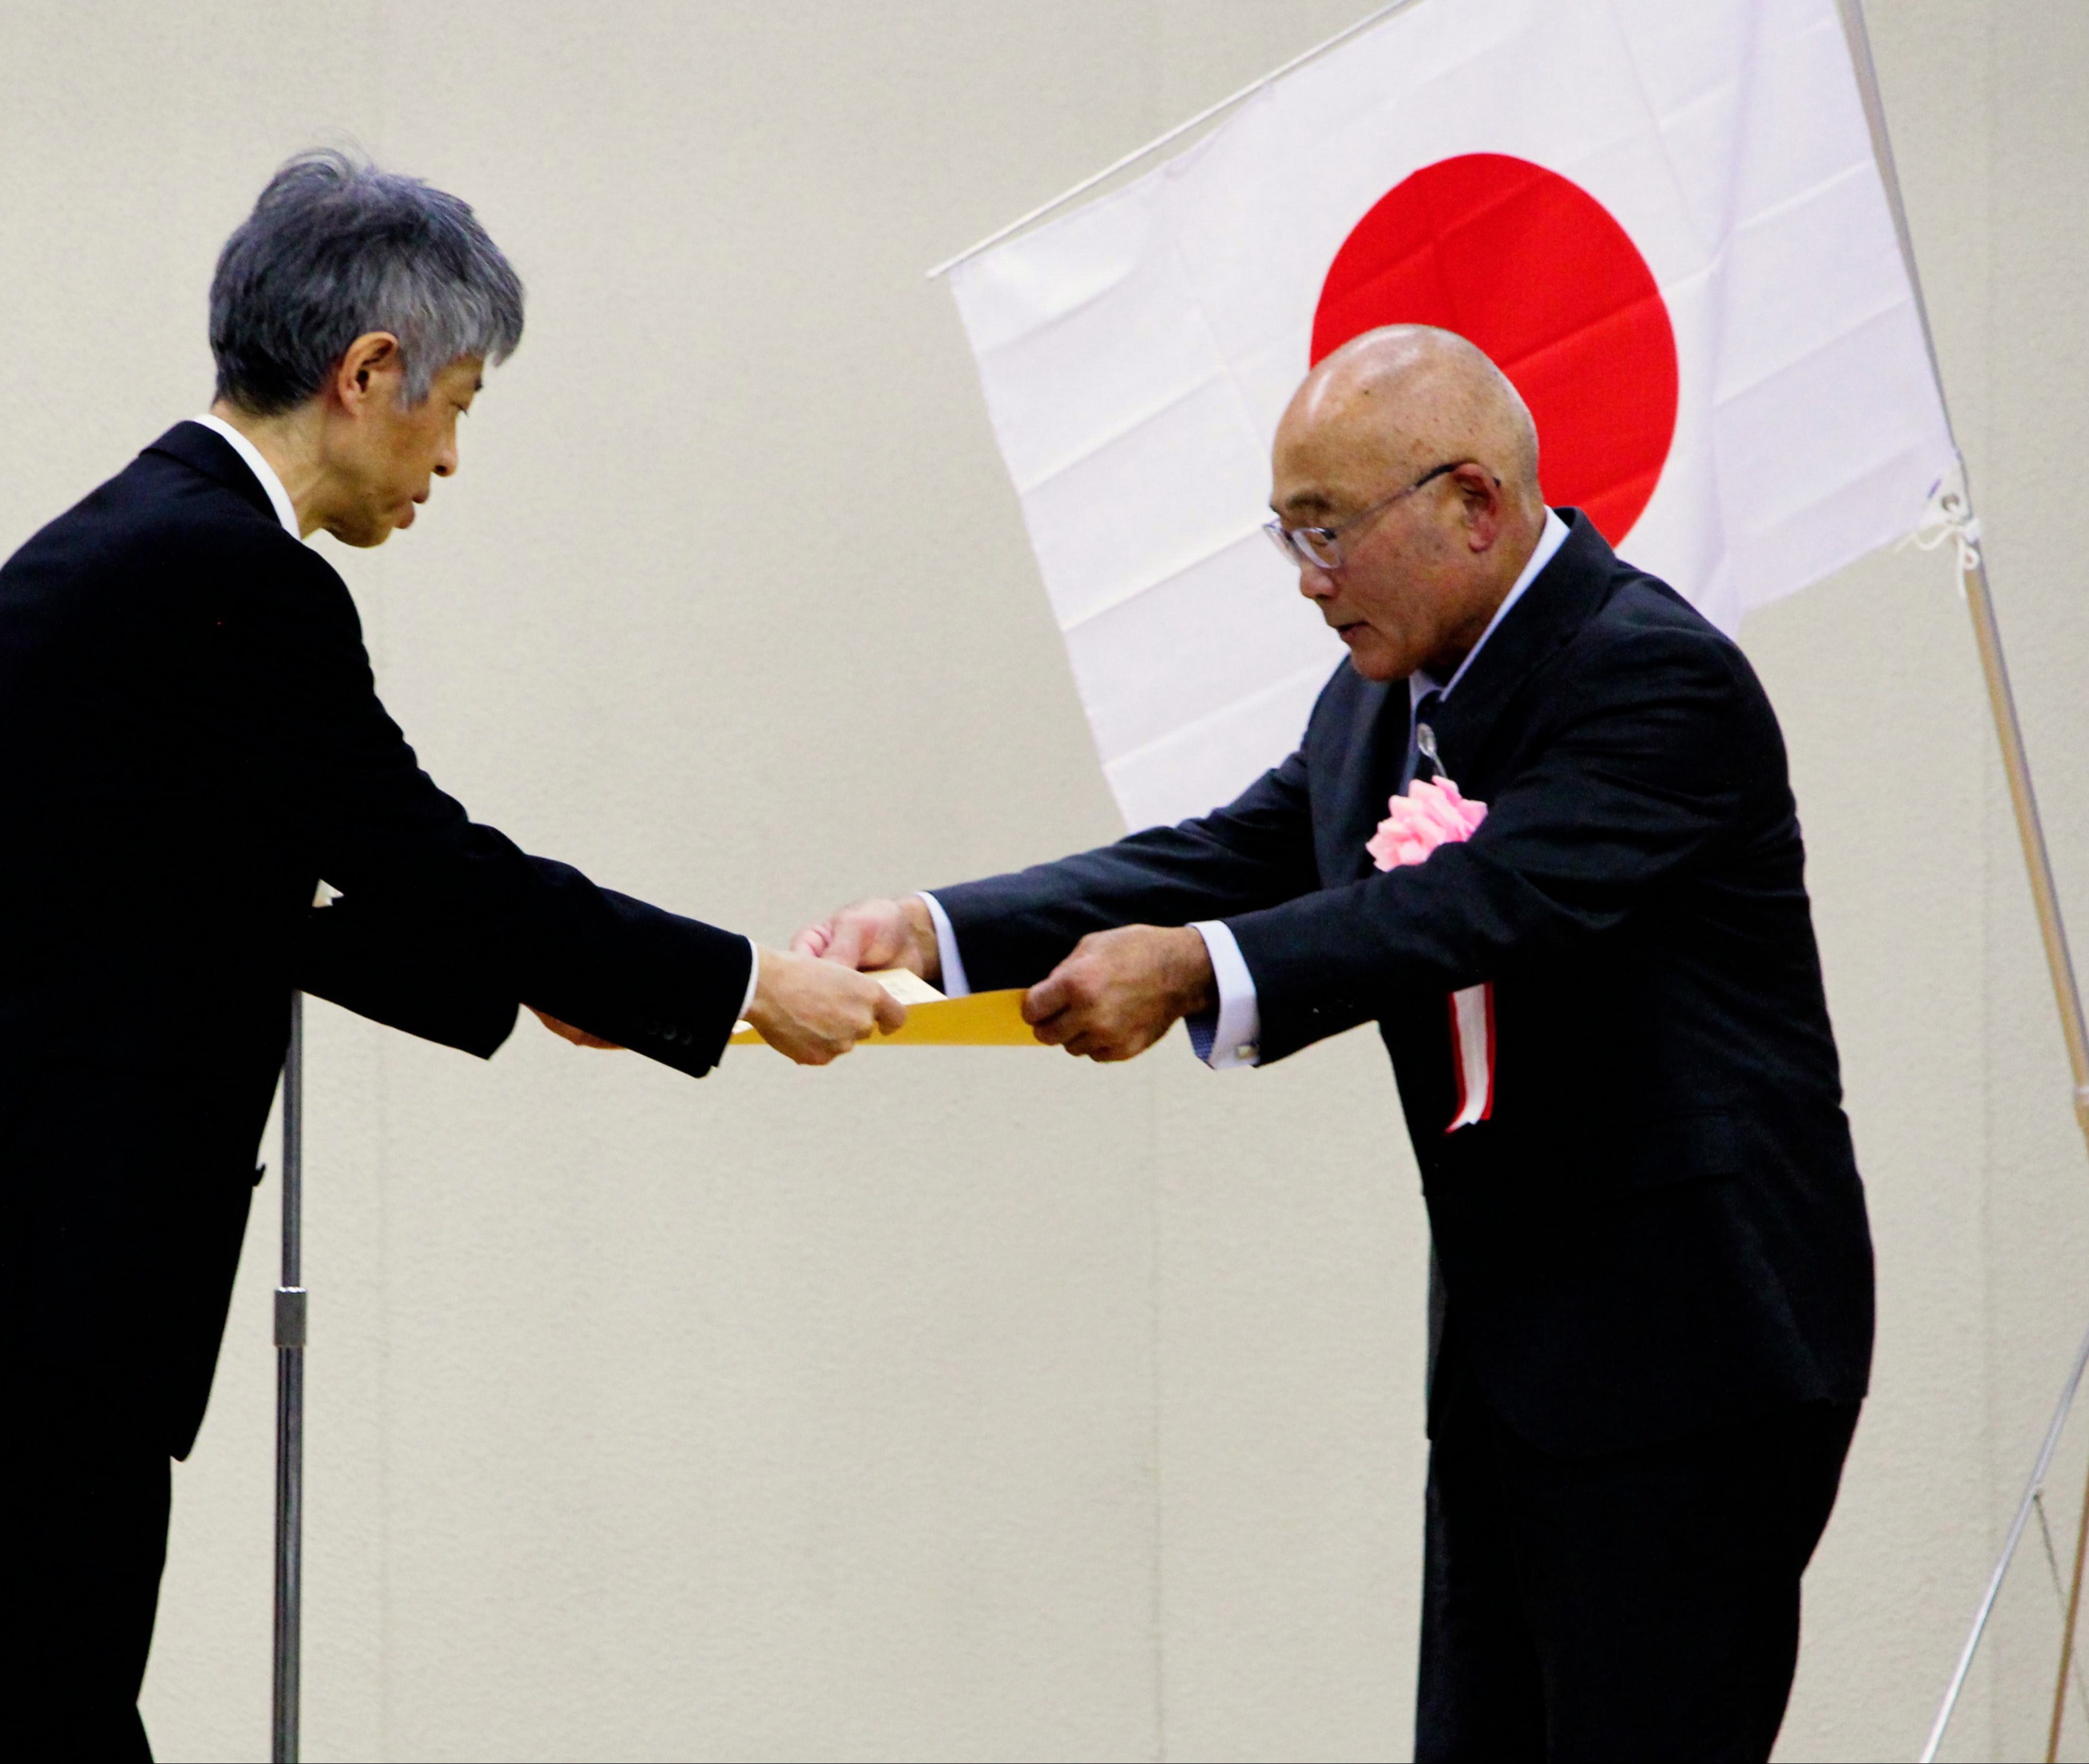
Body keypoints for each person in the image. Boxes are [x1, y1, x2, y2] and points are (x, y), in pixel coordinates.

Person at [0, 150, 898, 1759]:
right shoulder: (227, 576)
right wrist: (736, 985)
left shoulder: (123, 544)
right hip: (13, 1298)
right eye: (456, 402)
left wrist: (540, 976)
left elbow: (228, 890)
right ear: (366, 374)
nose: (451, 456)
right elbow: (414, 855)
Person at [799, 325, 1875, 1762]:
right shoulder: (1381, 697)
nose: (1307, 580)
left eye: (1329, 531)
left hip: (1695, 1357)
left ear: (1472, 504)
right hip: (1513, 1366)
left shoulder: (1653, 676)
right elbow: (1233, 856)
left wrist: (1192, 976)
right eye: (1286, 534)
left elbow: (1475, 908)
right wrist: (938, 930)